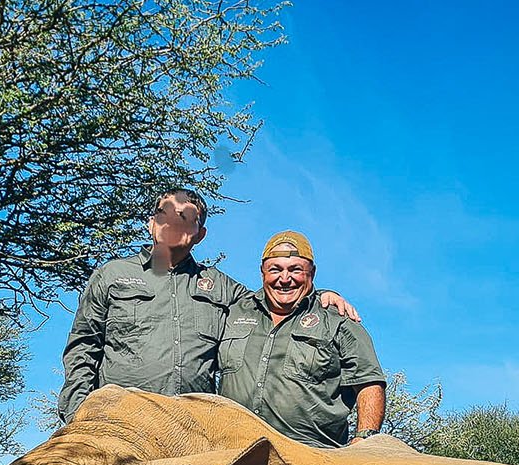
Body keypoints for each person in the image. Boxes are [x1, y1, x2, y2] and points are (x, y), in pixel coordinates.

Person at [58, 190, 356, 423]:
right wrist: (78, 414)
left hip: (191, 429)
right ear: (152, 223)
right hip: (119, 421)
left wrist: (321, 293)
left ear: (200, 234)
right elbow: (83, 349)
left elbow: (275, 296)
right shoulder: (111, 275)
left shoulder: (222, 287)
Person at [217, 230, 386, 448]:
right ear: (262, 273)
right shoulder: (234, 311)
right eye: (275, 269)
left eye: (295, 270)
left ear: (312, 273)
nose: (284, 279)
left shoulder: (338, 320)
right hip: (232, 449)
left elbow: (369, 383)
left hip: (311, 454)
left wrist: (364, 439)